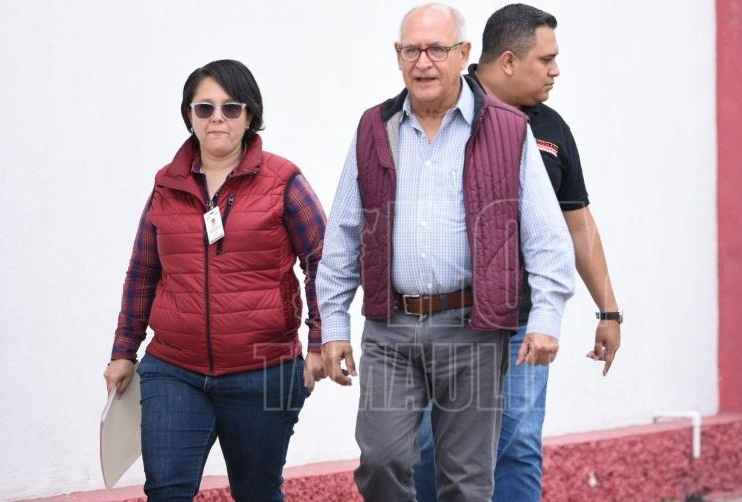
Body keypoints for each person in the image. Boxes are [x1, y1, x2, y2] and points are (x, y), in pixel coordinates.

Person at [315, 3, 575, 501]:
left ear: (463, 53)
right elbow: (345, 232)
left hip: (471, 328)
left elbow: (546, 235)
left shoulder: (508, 129)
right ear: (397, 56)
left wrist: (546, 317)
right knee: (382, 459)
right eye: (411, 50)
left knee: (465, 481)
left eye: (436, 49)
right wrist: (334, 325)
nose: (423, 62)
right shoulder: (374, 128)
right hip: (391, 328)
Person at [413, 4, 623, 501]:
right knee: (427, 446)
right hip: (444, 320)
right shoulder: (441, 111)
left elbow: (578, 224)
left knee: (518, 446)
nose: (556, 70)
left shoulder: (550, 129)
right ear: (508, 61)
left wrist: (609, 310)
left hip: (522, 324)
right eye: (546, 59)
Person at [102, 59, 327, 501]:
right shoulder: (166, 186)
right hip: (174, 369)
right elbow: (143, 273)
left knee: (256, 491)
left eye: (231, 107)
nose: (217, 118)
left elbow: (323, 262)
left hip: (264, 370)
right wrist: (123, 352)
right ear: (190, 116)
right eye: (204, 108)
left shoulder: (284, 182)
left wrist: (320, 340)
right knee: (166, 489)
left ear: (250, 115)